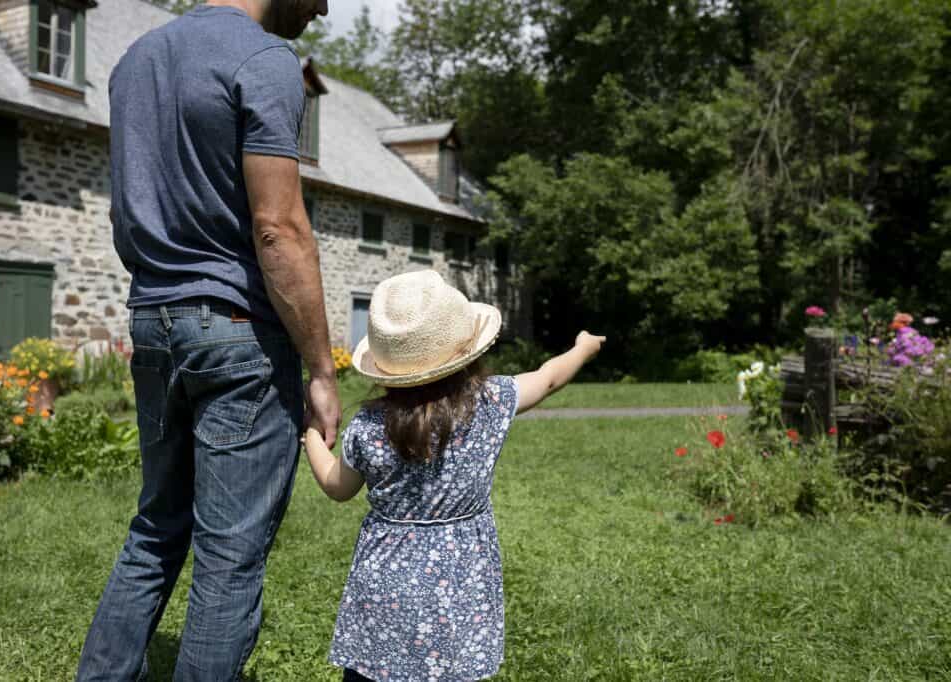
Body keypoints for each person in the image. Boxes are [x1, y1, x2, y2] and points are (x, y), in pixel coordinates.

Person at [76, 1, 337, 680]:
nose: (325, 6)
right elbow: (278, 228)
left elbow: (123, 208)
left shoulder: (135, 62)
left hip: (152, 318)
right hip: (239, 330)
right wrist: (322, 369)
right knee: (229, 556)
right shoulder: (265, 60)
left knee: (156, 527)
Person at [302, 270, 606, 681]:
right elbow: (549, 378)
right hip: (460, 583)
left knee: (373, 669)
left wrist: (312, 437)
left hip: (385, 585)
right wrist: (582, 348)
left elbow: (338, 487)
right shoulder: (490, 402)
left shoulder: (370, 426)